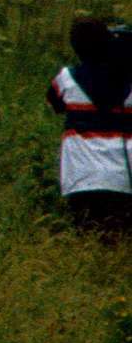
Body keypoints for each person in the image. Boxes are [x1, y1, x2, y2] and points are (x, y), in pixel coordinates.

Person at [49, 18, 132, 234]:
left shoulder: (66, 79)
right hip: (125, 177)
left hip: (81, 177)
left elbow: (54, 103)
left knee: (88, 235)